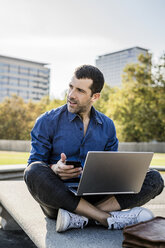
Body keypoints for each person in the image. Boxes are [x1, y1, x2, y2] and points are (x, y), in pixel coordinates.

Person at [24, 65, 164, 233]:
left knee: (154, 178)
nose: (71, 95)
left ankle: (80, 217)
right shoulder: (46, 121)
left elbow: (112, 169)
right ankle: (104, 218)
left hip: (97, 196)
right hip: (59, 199)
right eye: (71, 87)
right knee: (33, 171)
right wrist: (54, 169)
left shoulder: (107, 126)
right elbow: (34, 164)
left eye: (80, 91)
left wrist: (120, 175)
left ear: (95, 96)